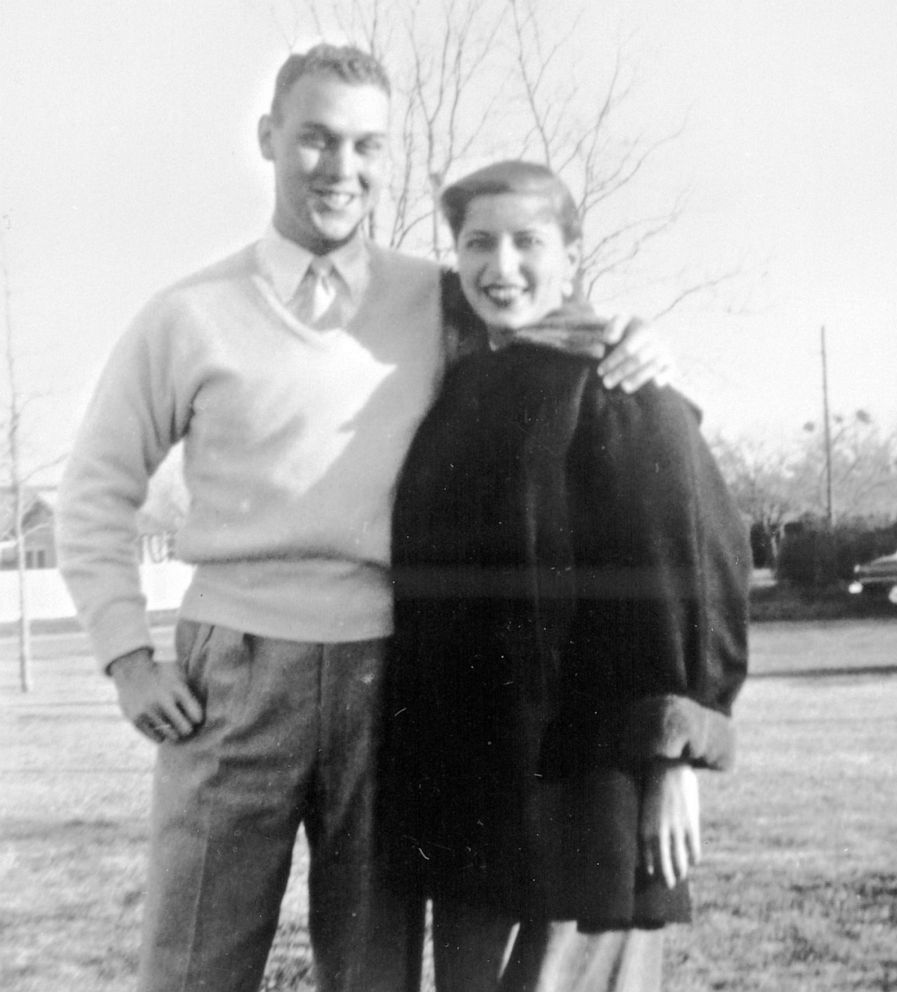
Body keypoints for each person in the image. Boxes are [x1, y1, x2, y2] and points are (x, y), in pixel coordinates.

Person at [55, 45, 670, 992]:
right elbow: (95, 490)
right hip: (235, 671)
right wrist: (127, 657)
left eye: (366, 146)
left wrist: (631, 336)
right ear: (269, 140)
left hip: (395, 671)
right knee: (193, 963)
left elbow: (549, 325)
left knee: (373, 968)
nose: (341, 169)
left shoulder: (440, 295)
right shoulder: (188, 315)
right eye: (315, 140)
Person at [380, 160, 750, 992]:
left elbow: (691, 570)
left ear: (573, 256)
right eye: (478, 242)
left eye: (527, 242)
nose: (500, 267)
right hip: (471, 779)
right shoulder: (461, 382)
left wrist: (675, 760)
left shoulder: (620, 385)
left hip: (591, 784)